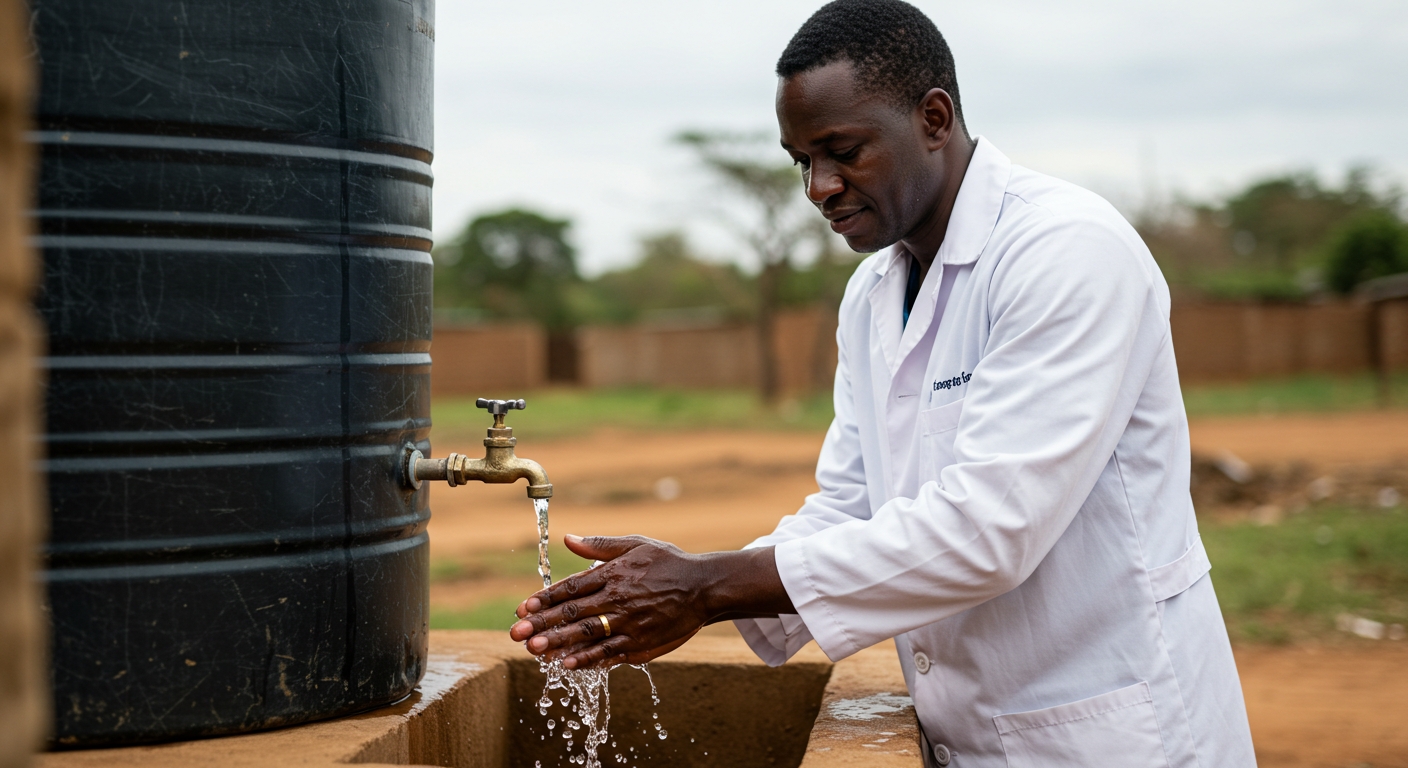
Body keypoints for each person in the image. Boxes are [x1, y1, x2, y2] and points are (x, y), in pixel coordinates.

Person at [509, 1, 1257, 765]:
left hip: (1108, 730)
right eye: (801, 160)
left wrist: (709, 586)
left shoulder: (1065, 252)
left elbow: (990, 531)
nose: (818, 187)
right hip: (966, 729)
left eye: (843, 151)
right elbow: (853, 502)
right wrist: (684, 593)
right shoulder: (873, 295)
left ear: (934, 118)